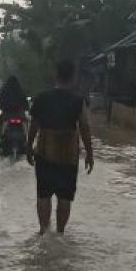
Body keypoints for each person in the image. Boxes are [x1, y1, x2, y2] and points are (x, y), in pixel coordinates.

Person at [26, 59, 94, 234]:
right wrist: (89, 154)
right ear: (73, 77)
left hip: (45, 152)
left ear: (56, 75)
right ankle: (60, 233)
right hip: (68, 155)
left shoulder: (41, 98)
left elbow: (34, 125)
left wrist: (28, 147)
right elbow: (85, 128)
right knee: (65, 196)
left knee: (43, 194)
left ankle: (43, 231)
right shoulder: (78, 101)